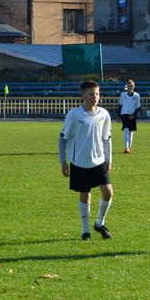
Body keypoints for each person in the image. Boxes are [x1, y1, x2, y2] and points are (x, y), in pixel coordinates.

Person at [59, 80, 114, 240]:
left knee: (108, 193)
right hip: (80, 162)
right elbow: (63, 137)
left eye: (97, 94)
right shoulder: (74, 114)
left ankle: (99, 223)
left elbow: (107, 138)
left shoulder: (104, 114)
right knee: (85, 194)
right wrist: (63, 161)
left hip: (99, 161)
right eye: (91, 94)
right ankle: (85, 231)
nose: (95, 97)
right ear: (83, 95)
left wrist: (109, 159)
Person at [118, 79, 141, 153]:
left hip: (132, 115)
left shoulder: (137, 96)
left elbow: (138, 107)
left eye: (131, 86)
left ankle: (129, 147)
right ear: (126, 87)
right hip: (124, 114)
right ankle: (126, 147)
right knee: (126, 130)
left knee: (130, 132)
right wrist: (118, 115)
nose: (130, 87)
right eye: (128, 86)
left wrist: (134, 115)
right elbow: (120, 105)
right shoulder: (123, 94)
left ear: (134, 86)